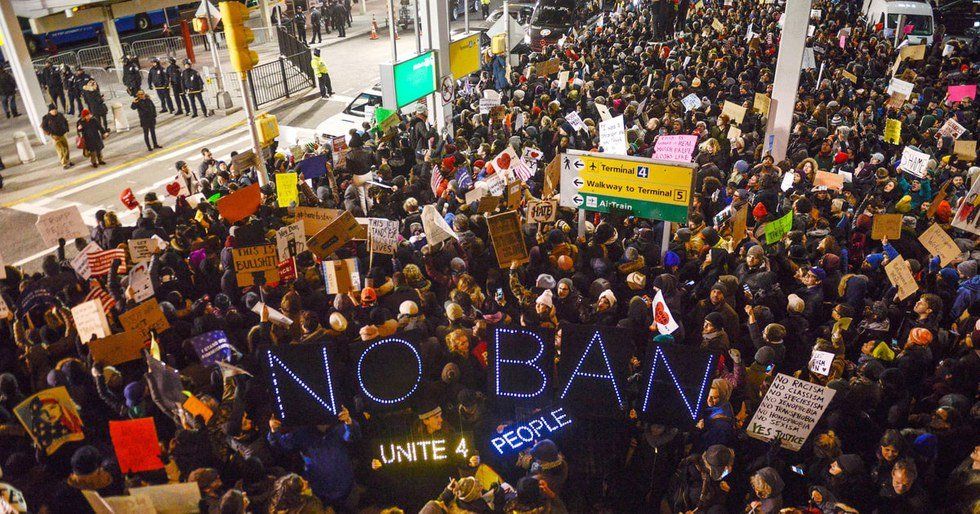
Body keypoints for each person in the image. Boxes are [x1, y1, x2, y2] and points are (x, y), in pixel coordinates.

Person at [41, 103, 74, 169]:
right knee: (60, 150)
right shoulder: (46, 118)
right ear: (50, 111)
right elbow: (43, 126)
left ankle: (68, 161)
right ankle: (64, 163)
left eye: (55, 110)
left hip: (63, 134)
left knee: (66, 148)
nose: (55, 111)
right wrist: (51, 131)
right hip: (55, 136)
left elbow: (65, 122)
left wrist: (66, 129)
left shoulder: (60, 115)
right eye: (53, 110)